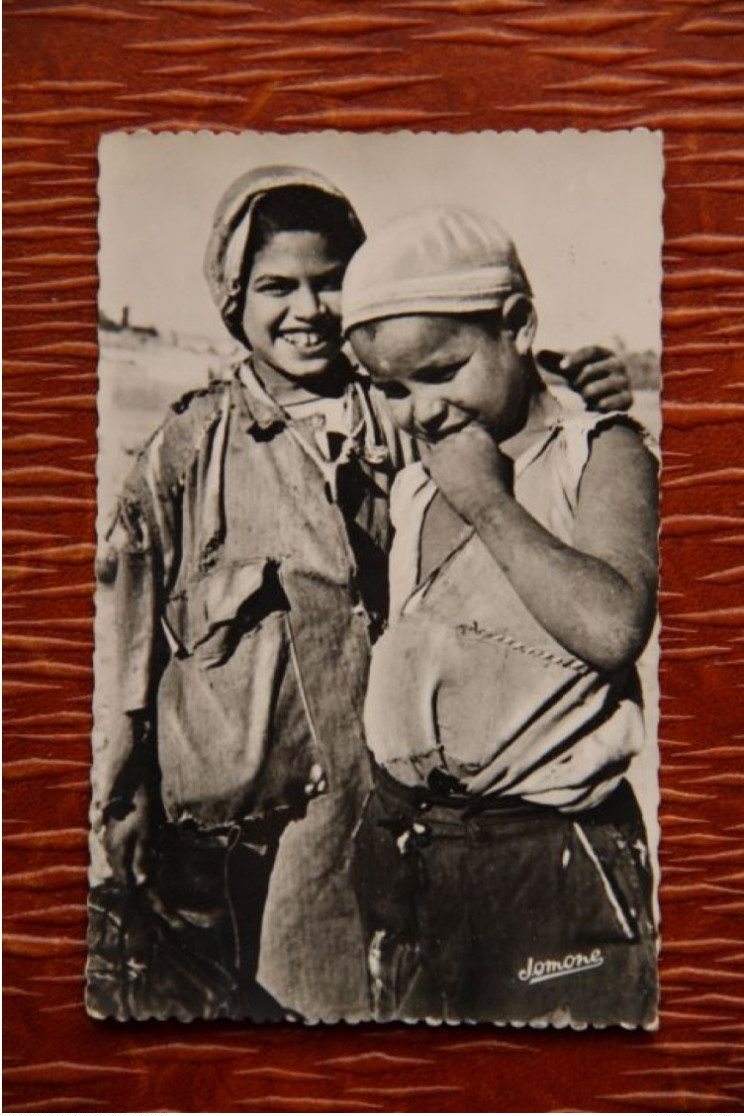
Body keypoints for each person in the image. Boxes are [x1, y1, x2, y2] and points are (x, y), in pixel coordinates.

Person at [90, 167, 635, 1022]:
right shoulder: (188, 445)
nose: (308, 309)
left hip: (372, 813)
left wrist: (581, 380)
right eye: (277, 286)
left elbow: (519, 409)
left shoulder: (406, 410)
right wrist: (119, 777)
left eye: (330, 282)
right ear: (234, 297)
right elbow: (126, 618)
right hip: (233, 826)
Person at [342, 206, 659, 1027]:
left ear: (517, 325)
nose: (421, 412)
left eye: (442, 371)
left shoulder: (601, 452)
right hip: (411, 848)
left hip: (550, 858)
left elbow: (615, 625)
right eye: (391, 388)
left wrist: (487, 499)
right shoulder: (416, 481)